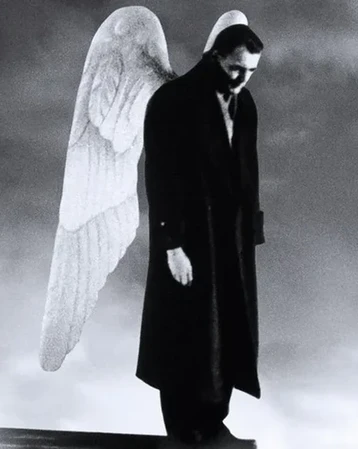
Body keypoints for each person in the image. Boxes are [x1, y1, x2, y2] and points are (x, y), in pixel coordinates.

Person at [136, 24, 265, 445]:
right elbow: (160, 176)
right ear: (215, 57)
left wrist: (251, 231)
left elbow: (249, 170)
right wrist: (171, 244)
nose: (242, 79)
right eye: (235, 68)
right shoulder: (172, 101)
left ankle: (213, 420)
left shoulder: (246, 106)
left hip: (231, 237)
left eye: (251, 71)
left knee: (226, 326)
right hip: (189, 236)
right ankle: (182, 425)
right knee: (184, 327)